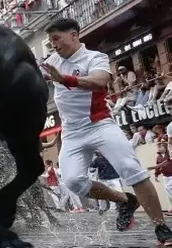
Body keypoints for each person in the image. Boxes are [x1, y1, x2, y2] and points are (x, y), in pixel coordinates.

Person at [41, 17, 172, 245]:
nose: (53, 45)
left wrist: (64, 79)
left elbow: (100, 81)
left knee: (131, 168)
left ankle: (160, 226)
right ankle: (124, 200)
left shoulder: (95, 57)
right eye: (51, 41)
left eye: (56, 39)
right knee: (73, 182)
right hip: (71, 132)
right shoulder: (51, 61)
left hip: (99, 125)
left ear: (74, 35)